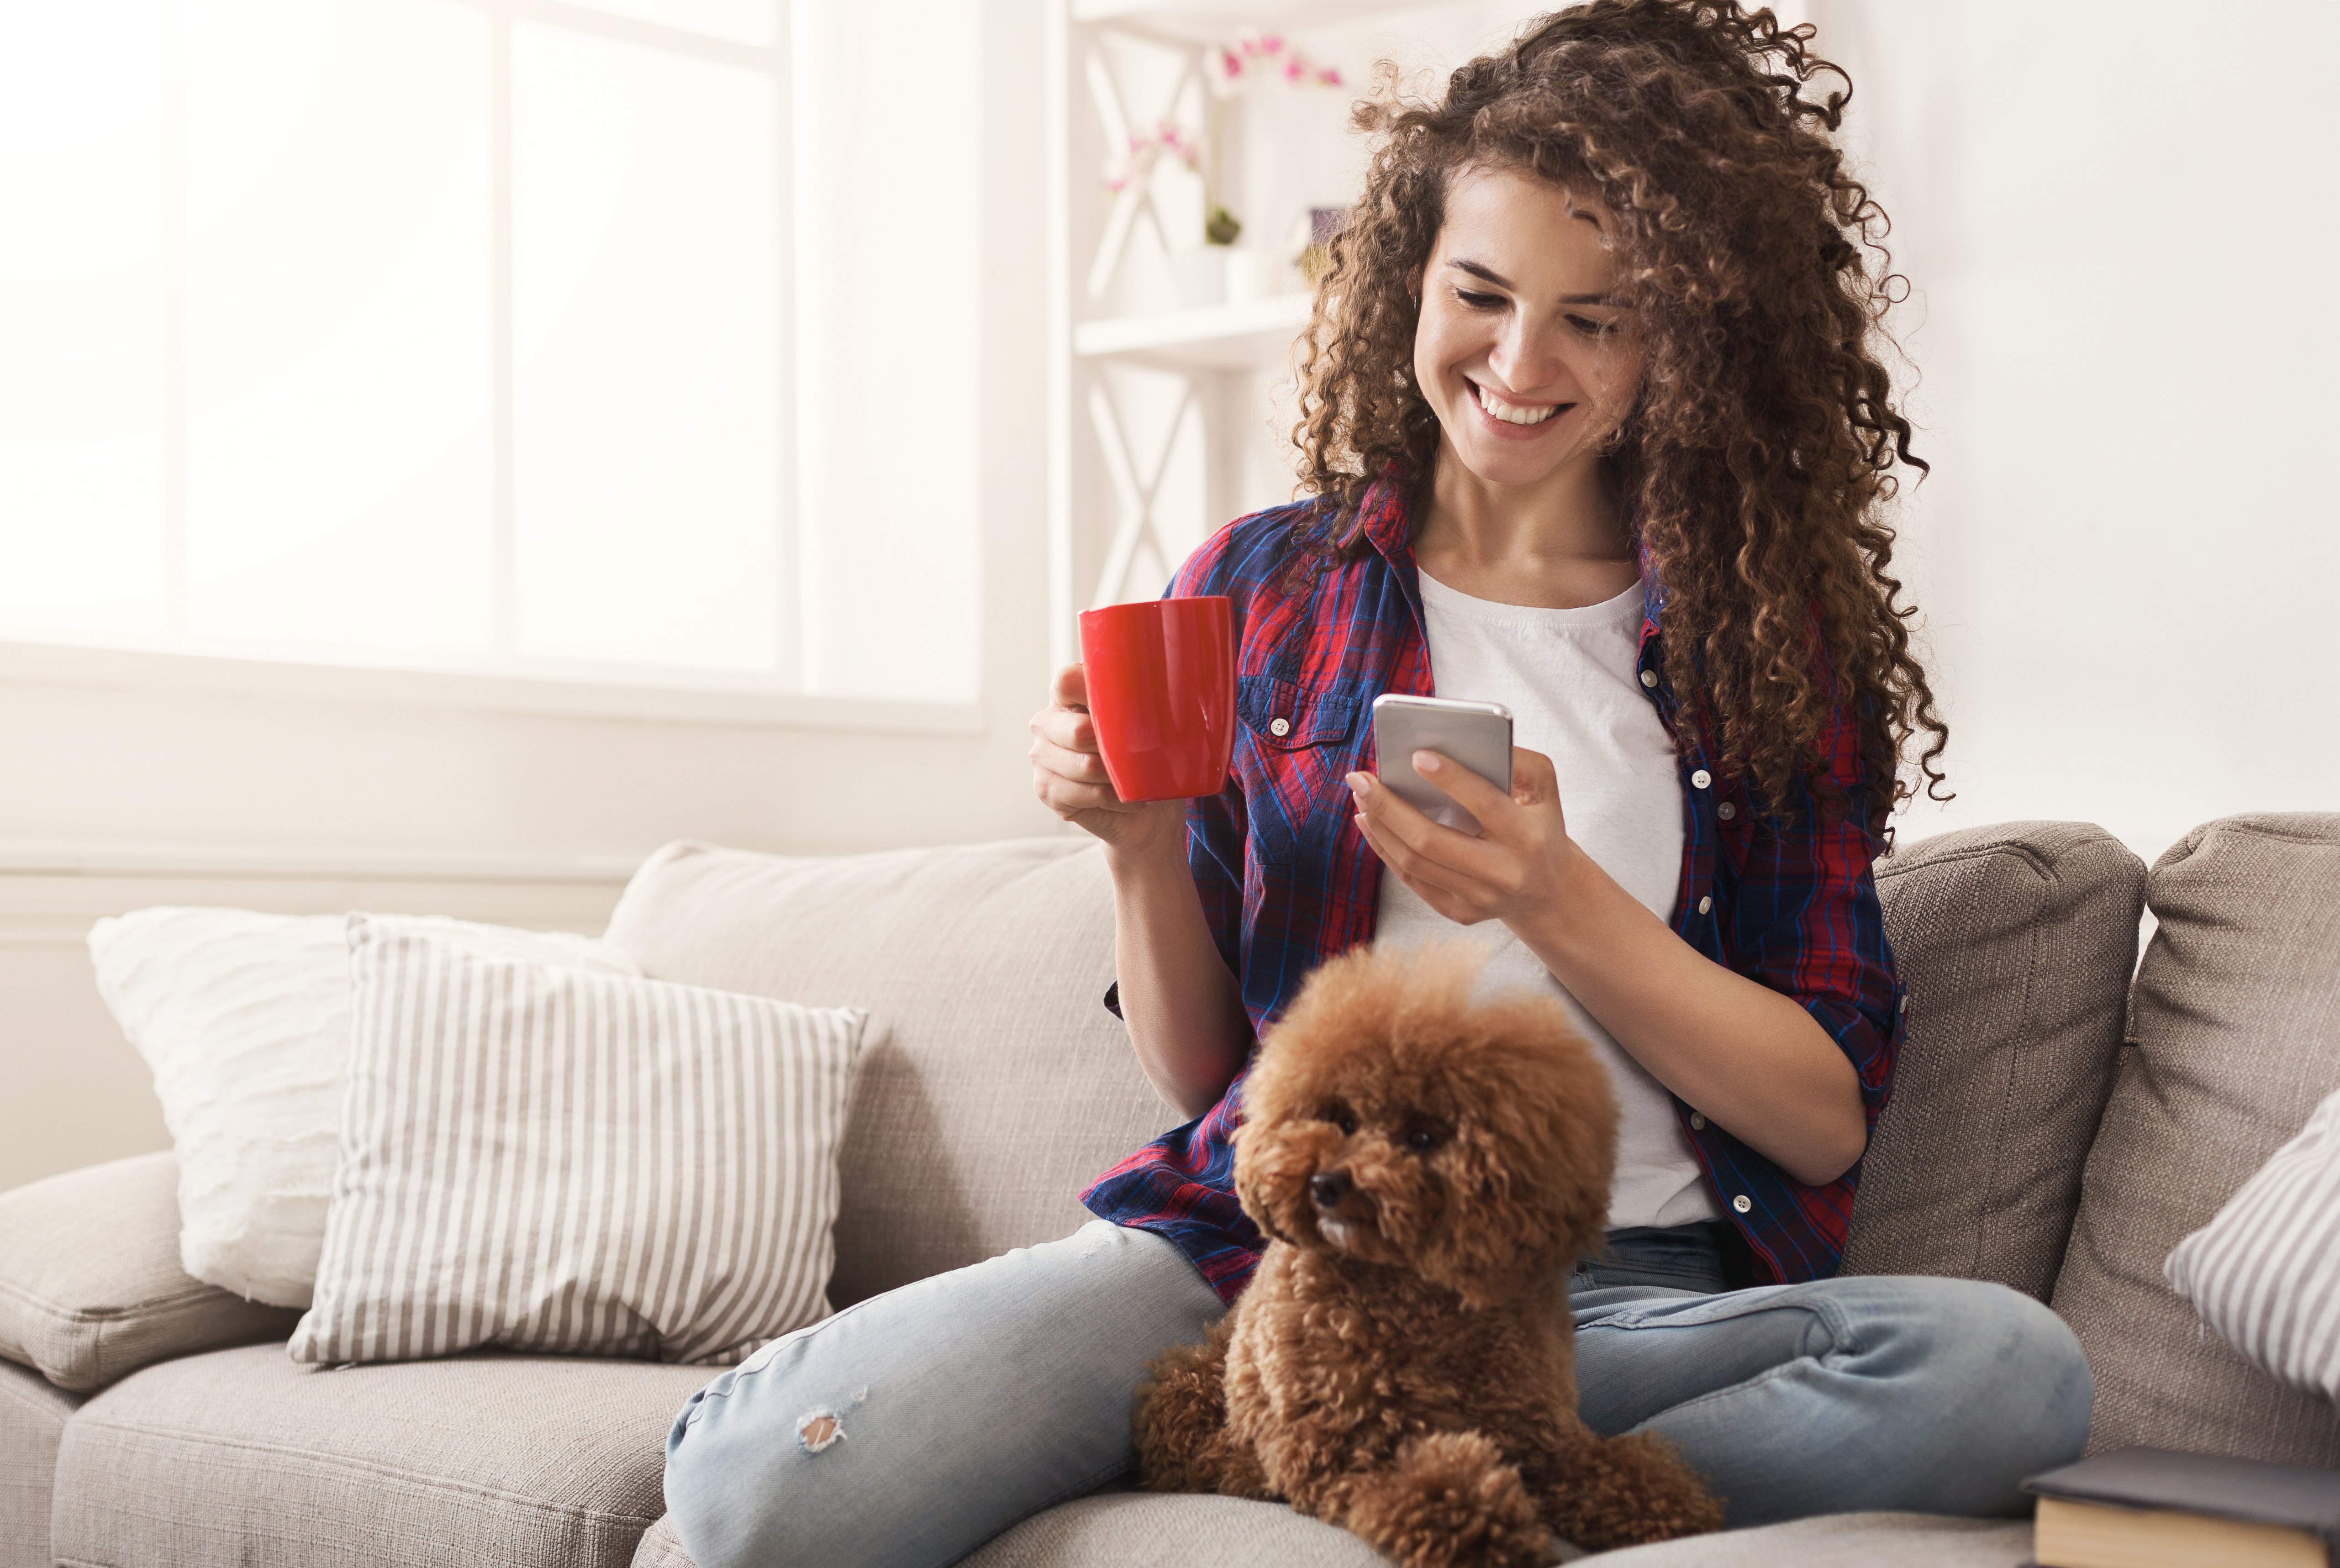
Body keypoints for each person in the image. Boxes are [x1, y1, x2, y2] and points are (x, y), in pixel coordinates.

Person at [661, 4, 2092, 1562]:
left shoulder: (1763, 643)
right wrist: (1139, 849)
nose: (1522, 362)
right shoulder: (1270, 588)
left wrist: (1556, 898)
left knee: (2012, 1374)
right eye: (1481, 293)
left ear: (1684, 335)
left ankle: (1359, 1448)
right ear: (1411, 275)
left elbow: (1822, 1121)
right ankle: (1349, 1423)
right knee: (761, 1482)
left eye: (1598, 319)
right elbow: (1215, 1077)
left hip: (1612, 1293)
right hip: (1277, 1254)